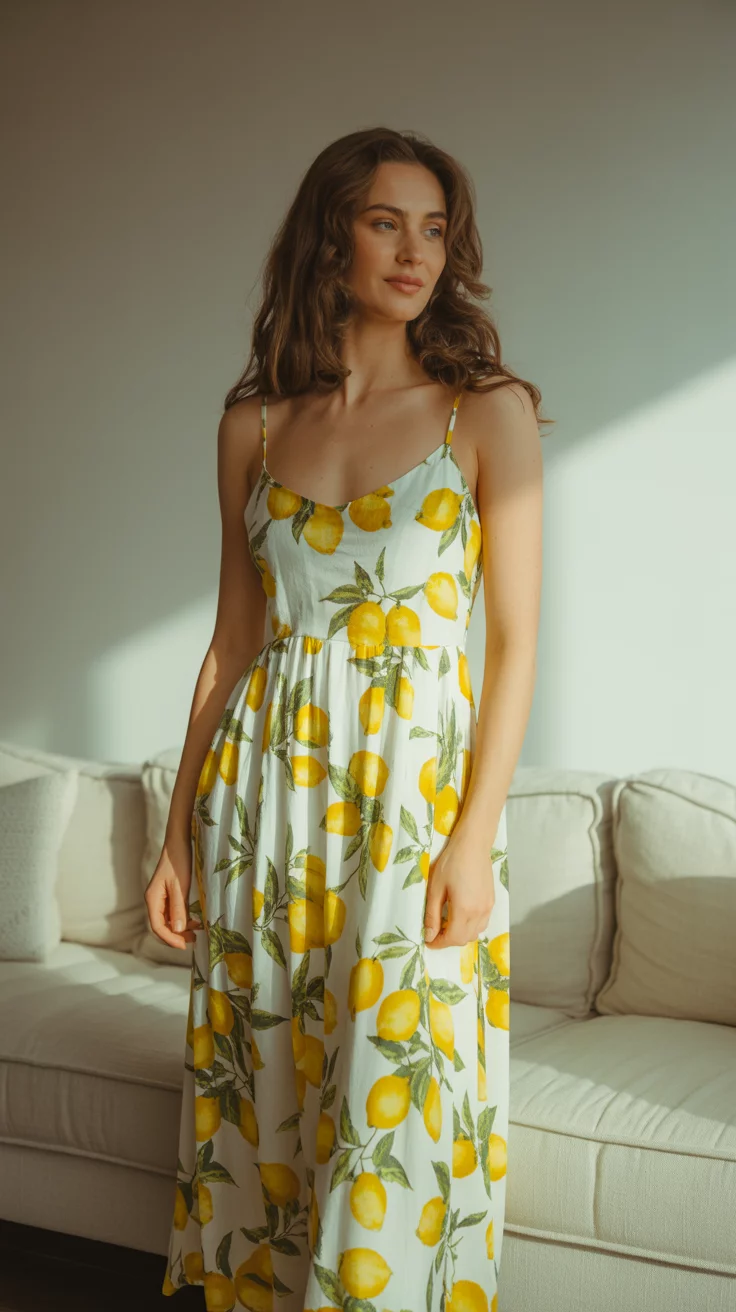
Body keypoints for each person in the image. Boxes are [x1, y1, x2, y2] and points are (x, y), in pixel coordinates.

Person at [148, 126, 545, 1312]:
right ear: (332, 235)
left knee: (394, 1116)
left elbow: (515, 642)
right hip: (264, 802)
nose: (416, 250)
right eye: (386, 221)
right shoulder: (254, 428)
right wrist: (177, 831)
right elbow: (231, 642)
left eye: (434, 227)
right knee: (268, 1087)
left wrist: (473, 838)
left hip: (408, 803)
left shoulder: (488, 413)